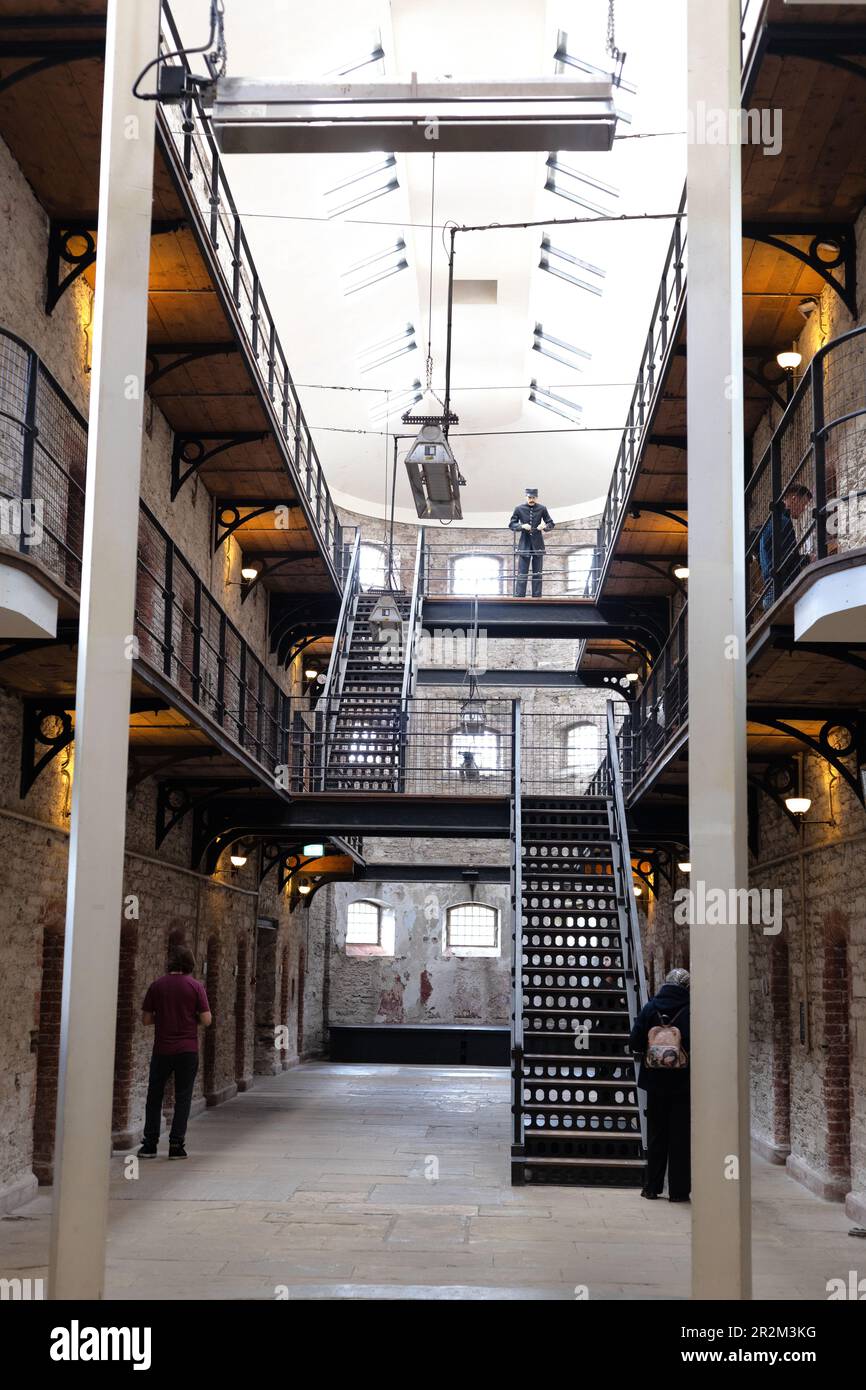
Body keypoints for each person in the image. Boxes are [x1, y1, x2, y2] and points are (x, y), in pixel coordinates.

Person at [138, 945, 212, 1160]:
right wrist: (191, 1019)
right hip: (187, 1050)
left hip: (162, 1049)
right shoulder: (195, 987)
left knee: (155, 1095)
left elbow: (146, 1019)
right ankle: (176, 1145)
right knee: (183, 1096)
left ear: (169, 963)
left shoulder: (156, 986)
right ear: (190, 963)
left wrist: (164, 1018)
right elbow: (207, 1020)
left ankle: (150, 1144)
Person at [628, 967, 691, 1202]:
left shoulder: (650, 1008)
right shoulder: (691, 1010)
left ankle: (652, 1187)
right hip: (682, 1084)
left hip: (655, 1083)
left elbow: (634, 1042)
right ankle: (679, 1191)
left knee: (656, 1136)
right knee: (680, 1138)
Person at [754, 482, 813, 609]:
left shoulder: (772, 522)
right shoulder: (782, 522)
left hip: (771, 592)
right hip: (781, 591)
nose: (803, 509)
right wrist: (807, 559)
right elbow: (785, 560)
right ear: (794, 499)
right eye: (804, 504)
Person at [508, 487, 555, 597]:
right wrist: (521, 526)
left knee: (538, 573)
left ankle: (537, 596)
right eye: (529, 497)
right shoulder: (518, 508)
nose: (531, 499)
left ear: (537, 498)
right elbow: (511, 525)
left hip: (538, 544)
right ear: (526, 497)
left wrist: (544, 526)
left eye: (533, 497)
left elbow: (551, 523)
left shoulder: (542, 508)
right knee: (522, 573)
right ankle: (519, 596)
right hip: (524, 544)